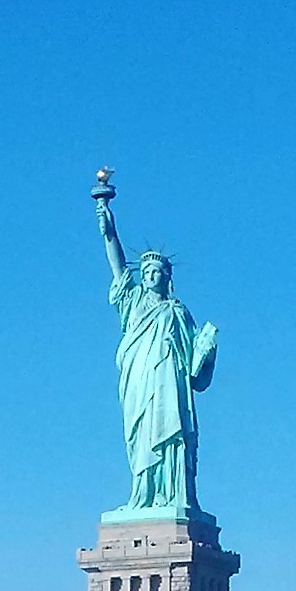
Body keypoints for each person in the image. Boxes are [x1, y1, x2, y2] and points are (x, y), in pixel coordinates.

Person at [96, 195, 217, 513]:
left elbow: (195, 366)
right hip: (138, 379)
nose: (150, 276)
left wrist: (207, 352)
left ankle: (174, 495)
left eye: (157, 271)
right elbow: (117, 266)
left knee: (171, 434)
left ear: (167, 277)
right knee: (141, 436)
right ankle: (142, 494)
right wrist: (109, 230)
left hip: (169, 381)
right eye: (146, 271)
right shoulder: (133, 301)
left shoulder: (178, 311)